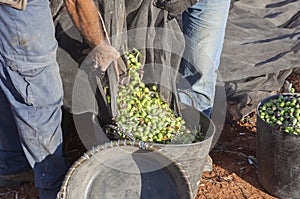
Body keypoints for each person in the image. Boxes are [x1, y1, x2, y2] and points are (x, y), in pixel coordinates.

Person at [0, 0, 117, 198]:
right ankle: (54, 187)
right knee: (39, 96)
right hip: (22, 12)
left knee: (10, 78)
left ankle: (13, 164)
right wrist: (99, 45)